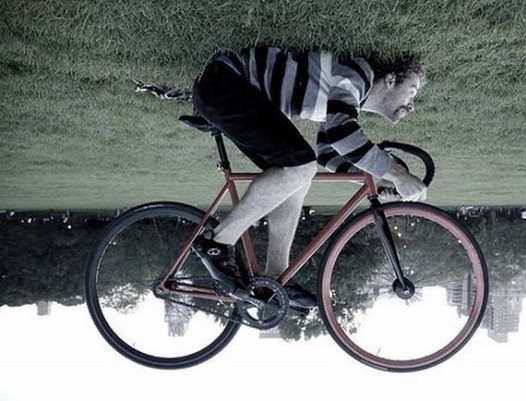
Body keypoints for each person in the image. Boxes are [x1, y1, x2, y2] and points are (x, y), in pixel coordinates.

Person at [136, 45, 427, 308]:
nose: (412, 104)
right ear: (391, 80)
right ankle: (219, 242)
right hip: (226, 83)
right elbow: (342, 136)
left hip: (231, 92)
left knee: (301, 175)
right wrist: (397, 174)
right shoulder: (358, 74)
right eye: (412, 91)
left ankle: (276, 279)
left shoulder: (347, 99)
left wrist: (380, 179)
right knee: (300, 167)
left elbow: (328, 153)